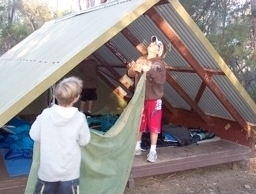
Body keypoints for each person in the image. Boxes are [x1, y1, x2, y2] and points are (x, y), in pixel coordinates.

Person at [29, 76, 91, 194]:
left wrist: (39, 120)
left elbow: (34, 135)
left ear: (56, 96)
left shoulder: (46, 114)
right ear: (76, 98)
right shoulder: (80, 118)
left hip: (47, 172)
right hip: (70, 173)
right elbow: (84, 141)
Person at [127, 36, 166, 163]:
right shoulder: (141, 59)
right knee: (140, 123)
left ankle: (153, 151)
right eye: (151, 43)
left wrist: (148, 70)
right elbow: (130, 74)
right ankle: (137, 147)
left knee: (154, 125)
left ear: (158, 51)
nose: (151, 44)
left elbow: (160, 80)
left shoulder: (159, 63)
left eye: (155, 44)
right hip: (140, 98)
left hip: (154, 99)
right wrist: (134, 69)